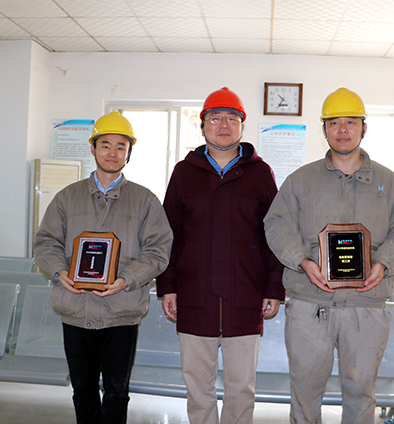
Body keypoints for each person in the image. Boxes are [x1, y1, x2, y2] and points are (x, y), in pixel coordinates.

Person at [263, 88, 394, 424]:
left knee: (361, 393)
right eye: (334, 122)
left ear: (364, 127)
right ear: (324, 129)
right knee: (304, 393)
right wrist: (303, 261)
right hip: (310, 304)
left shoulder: (391, 185)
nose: (343, 129)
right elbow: (276, 225)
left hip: (366, 306)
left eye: (351, 122)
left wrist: (384, 263)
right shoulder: (300, 181)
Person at [156, 87, 285, 424]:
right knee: (198, 388)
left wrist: (273, 288)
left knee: (241, 389)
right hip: (194, 297)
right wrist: (167, 286)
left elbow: (274, 235)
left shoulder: (260, 173)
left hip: (246, 297)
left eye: (232, 118)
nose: (223, 125)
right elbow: (169, 235)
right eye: (215, 118)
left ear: (242, 125)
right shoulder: (184, 173)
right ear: (203, 126)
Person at [33, 111, 173, 424]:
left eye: (121, 146)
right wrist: (59, 271)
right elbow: (45, 242)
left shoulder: (145, 200)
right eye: (105, 145)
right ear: (93, 148)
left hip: (121, 311)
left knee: (116, 392)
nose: (113, 152)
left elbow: (158, 250)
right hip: (76, 309)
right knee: (82, 390)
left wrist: (127, 279)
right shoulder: (67, 198)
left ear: (129, 152)